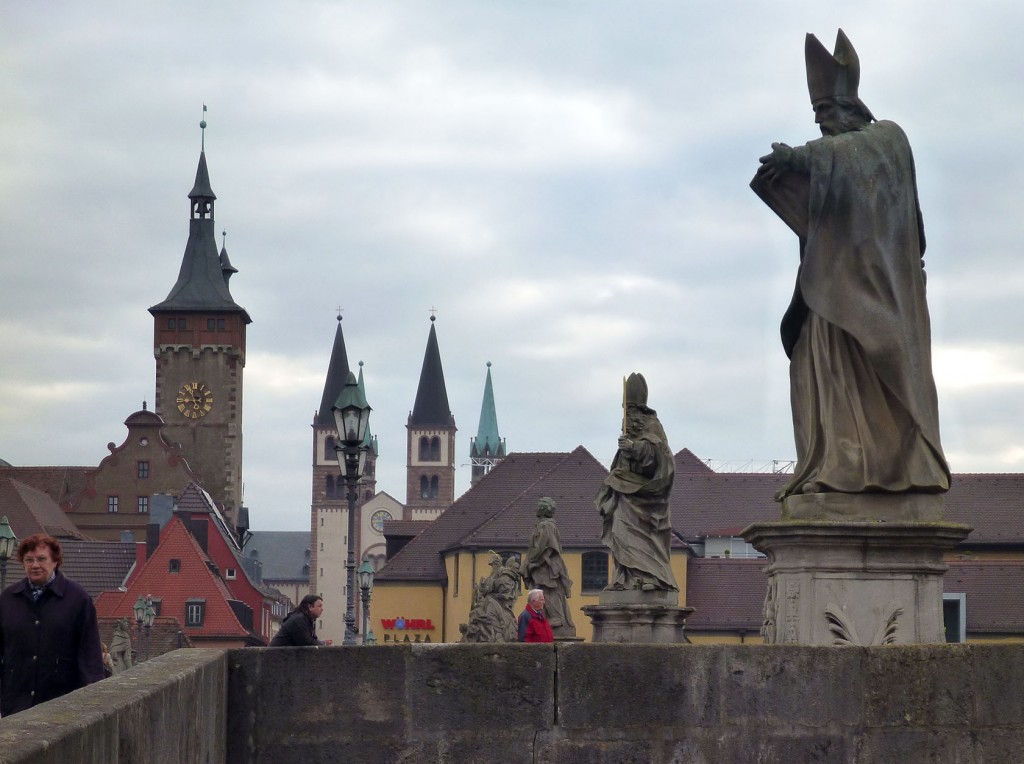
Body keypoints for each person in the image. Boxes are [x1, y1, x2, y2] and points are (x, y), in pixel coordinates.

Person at [752, 30, 950, 504]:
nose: (821, 126)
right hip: (831, 285)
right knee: (813, 358)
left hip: (880, 293)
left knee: (874, 371)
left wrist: (801, 157)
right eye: (815, 118)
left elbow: (854, 158)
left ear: (849, 106)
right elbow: (829, 199)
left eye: (824, 115)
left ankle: (883, 466)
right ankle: (834, 464)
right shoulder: (838, 154)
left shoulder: (888, 140)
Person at [0, 533, 104, 716]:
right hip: (16, 704)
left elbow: (90, 654)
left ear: (55, 561)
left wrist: (93, 700)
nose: (35, 565)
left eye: (41, 559)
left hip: (62, 704)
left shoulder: (77, 599)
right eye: (29, 560)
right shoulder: (8, 599)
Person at [595, 373, 677, 592]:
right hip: (625, 493)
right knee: (619, 532)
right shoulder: (630, 432)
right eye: (625, 411)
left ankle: (651, 576)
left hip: (646, 494)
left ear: (640, 410)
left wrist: (633, 448)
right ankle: (625, 578)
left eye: (630, 411)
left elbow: (656, 456)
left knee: (645, 538)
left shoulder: (652, 426)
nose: (627, 417)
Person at [520, 497, 576, 638]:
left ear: (544, 509)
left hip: (546, 566)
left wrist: (531, 562)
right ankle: (549, 618)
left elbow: (543, 547)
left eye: (540, 506)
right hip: (542, 566)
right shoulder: (543, 525)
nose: (537, 508)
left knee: (548, 591)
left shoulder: (547, 526)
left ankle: (556, 618)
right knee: (542, 591)